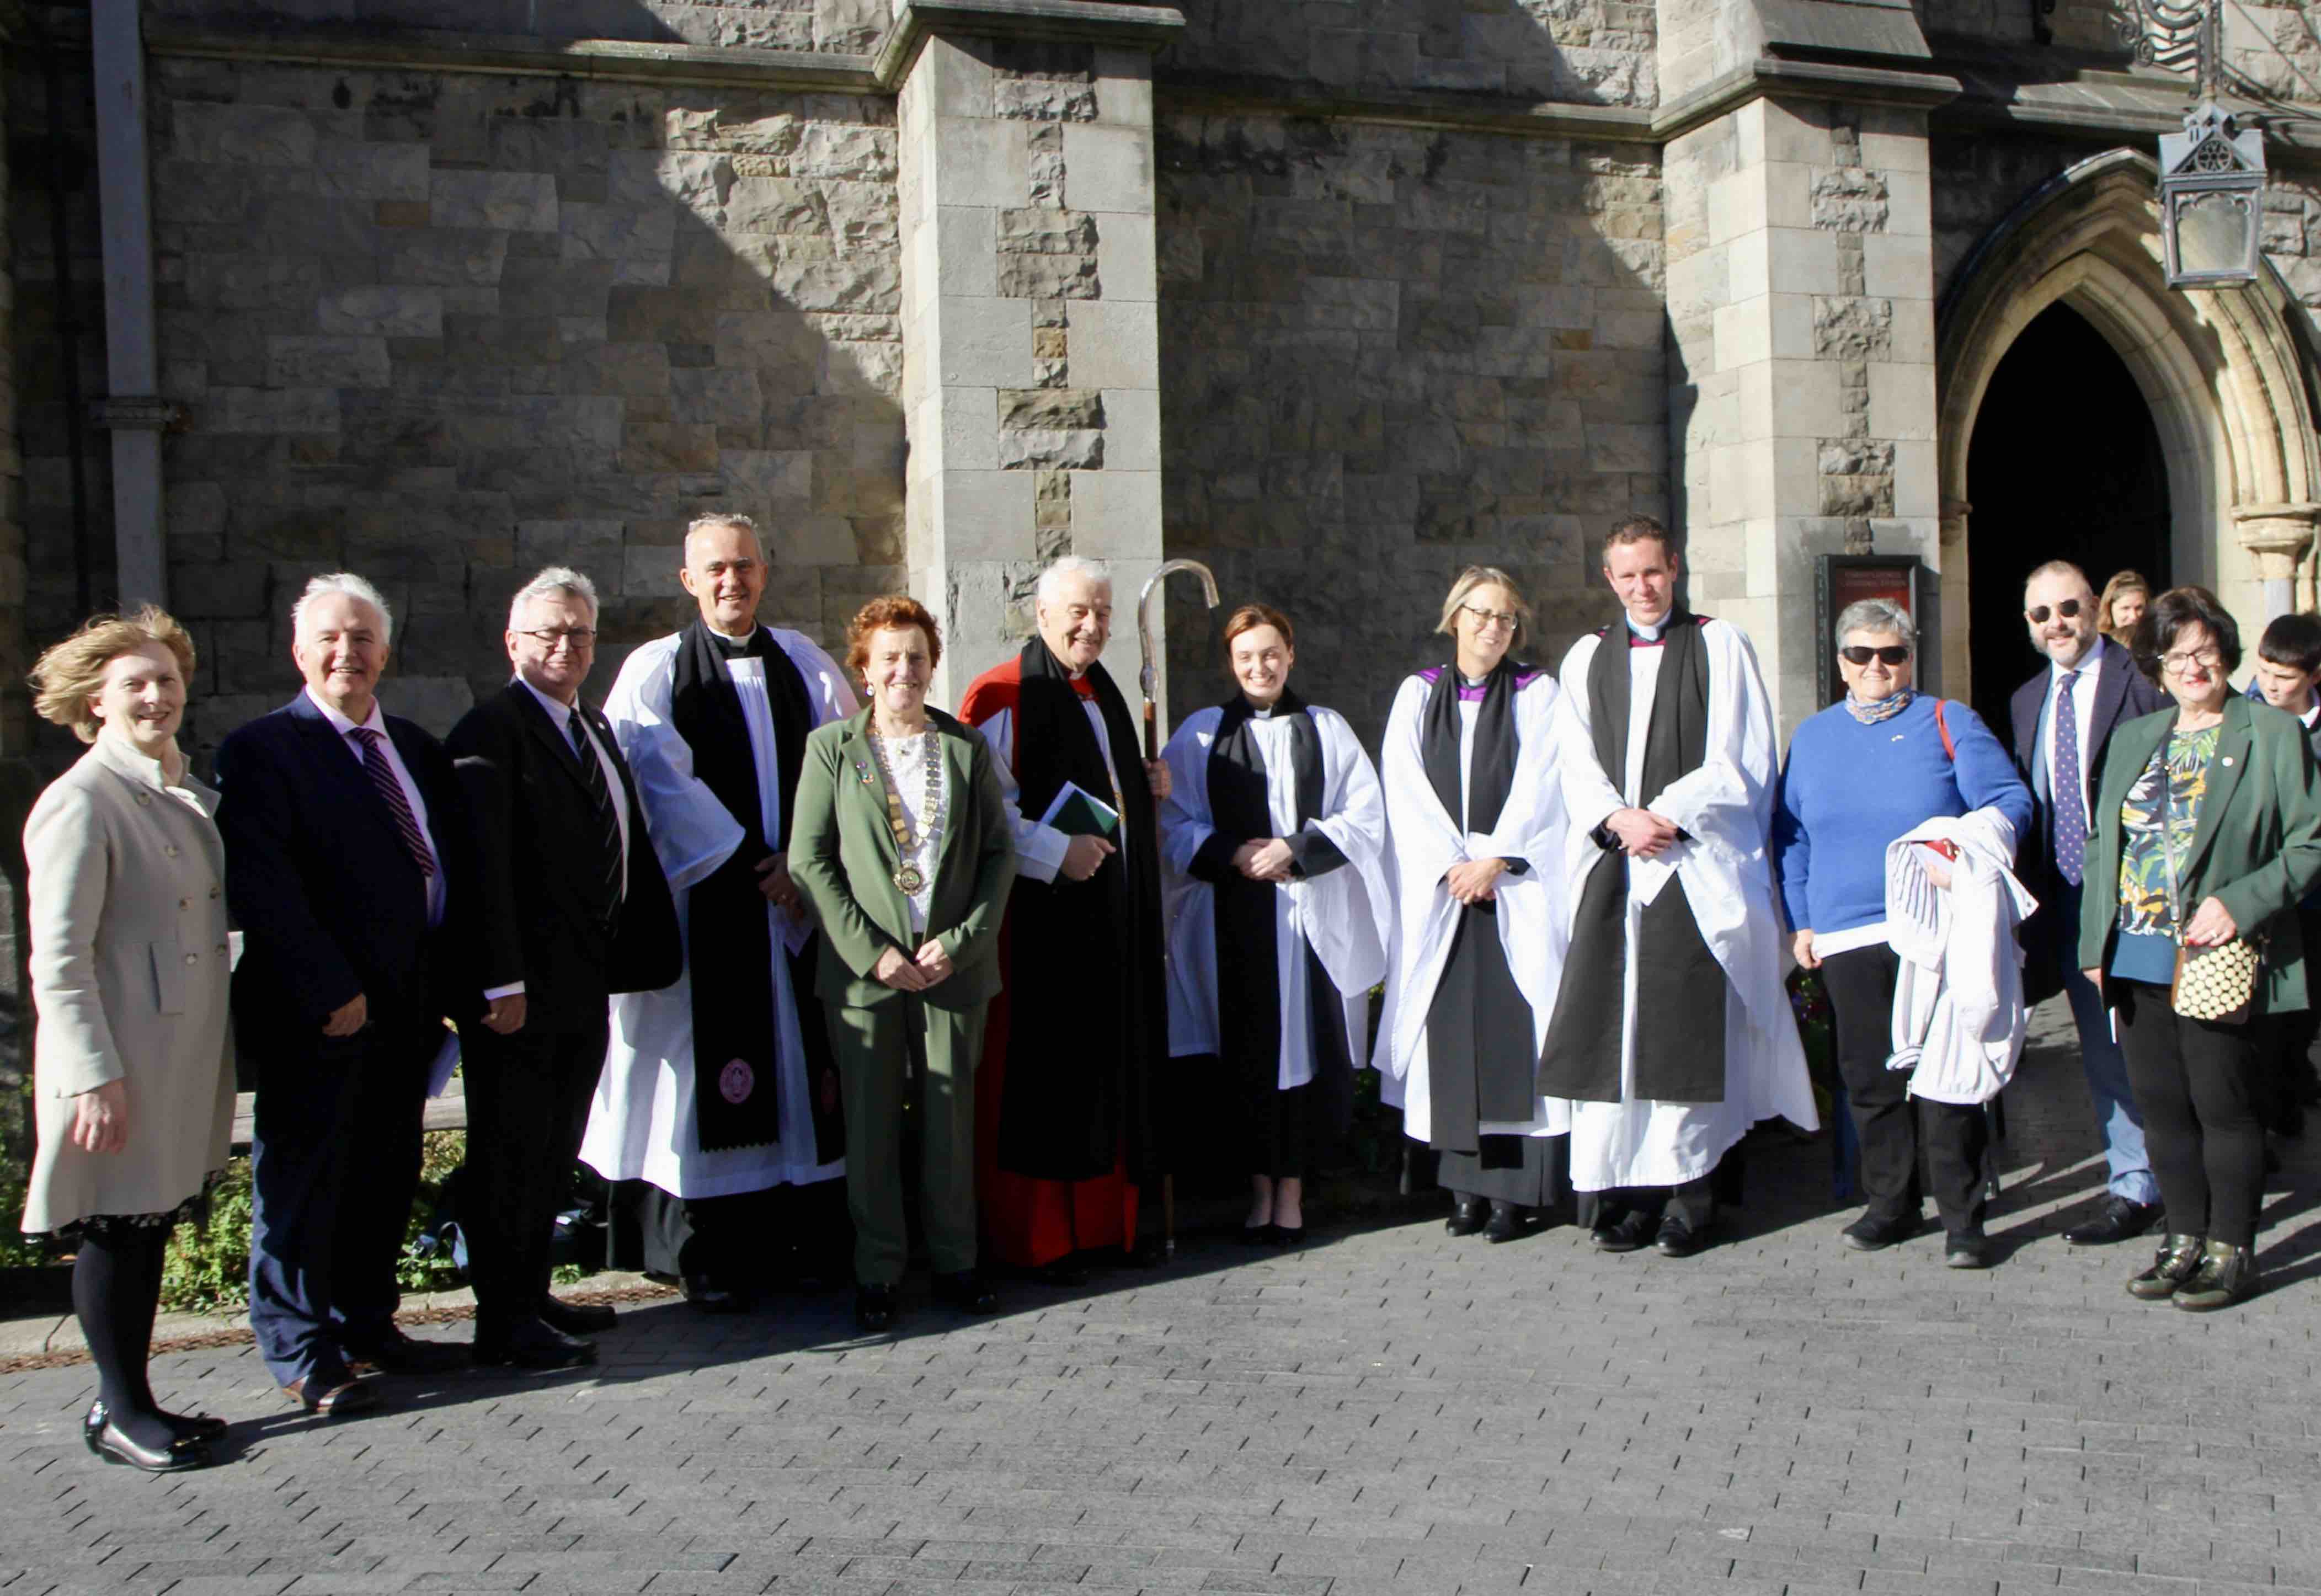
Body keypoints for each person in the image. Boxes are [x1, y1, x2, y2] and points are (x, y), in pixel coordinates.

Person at [217, 573, 511, 1414]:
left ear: (386, 649)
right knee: (305, 1180)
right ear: (299, 651)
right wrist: (327, 988)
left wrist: (462, 988)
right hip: (325, 1010)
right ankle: (299, 1346)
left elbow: (446, 874)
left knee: (385, 1168)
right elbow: (267, 886)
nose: (348, 652)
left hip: (410, 1007)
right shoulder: (264, 749)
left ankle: (366, 1322)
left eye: (363, 638)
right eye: (331, 638)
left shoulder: (414, 748)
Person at [581, 514, 857, 1312]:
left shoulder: (803, 663)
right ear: (688, 581)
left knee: (803, 1073)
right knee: (708, 1076)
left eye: (743, 565)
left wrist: (808, 861)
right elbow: (657, 780)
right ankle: (709, 1254)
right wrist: (747, 865)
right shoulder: (655, 670)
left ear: (763, 573)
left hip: (799, 904)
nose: (730, 580)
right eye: (715, 569)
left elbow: (846, 757)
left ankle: (806, 1240)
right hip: (708, 912)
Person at [1538, 516, 1819, 1257]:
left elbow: (1744, 754)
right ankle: (1628, 1199)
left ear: (1675, 567)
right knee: (1619, 1040)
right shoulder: (1586, 657)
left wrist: (1665, 814)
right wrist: (1615, 818)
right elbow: (1570, 762)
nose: (1640, 587)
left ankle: (1689, 1201)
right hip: (1613, 869)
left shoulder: (1717, 645)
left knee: (1684, 1035)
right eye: (1625, 575)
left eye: (1652, 572)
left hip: (1689, 869)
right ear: (1608, 578)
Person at [446, 567, 680, 1370]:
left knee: (552, 1148)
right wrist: (498, 980)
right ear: (513, 643)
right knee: (510, 1152)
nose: (565, 645)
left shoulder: (591, 727)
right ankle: (501, 1319)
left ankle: (530, 1292)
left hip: (581, 982)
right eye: (548, 632)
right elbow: (482, 868)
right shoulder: (490, 731)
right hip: (520, 992)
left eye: (579, 632)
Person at [18, 610, 235, 1471]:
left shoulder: (165, 784)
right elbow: (58, 958)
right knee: (114, 1225)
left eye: (167, 681)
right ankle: (118, 1410)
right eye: (134, 685)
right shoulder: (81, 800)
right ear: (95, 704)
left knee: (145, 1227)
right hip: (120, 1061)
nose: (155, 696)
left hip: (169, 1054)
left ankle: (136, 1400)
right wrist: (91, 1075)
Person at [2079, 586, 2321, 1310]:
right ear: (2153, 667)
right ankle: (2181, 1240)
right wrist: (2094, 944)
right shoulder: (2132, 739)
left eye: (2203, 652)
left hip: (2222, 954)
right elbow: (2103, 850)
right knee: (2161, 1109)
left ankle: (2229, 1249)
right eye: (2174, 654)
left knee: (2223, 1107)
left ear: (2225, 654)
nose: (2191, 667)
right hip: (2137, 955)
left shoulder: (2269, 733)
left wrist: (2237, 902)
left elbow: (2309, 843)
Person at [1774, 599, 2034, 1267]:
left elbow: (2008, 801)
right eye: (1860, 654)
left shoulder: (1948, 722)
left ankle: (1963, 1219)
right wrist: (1802, 919)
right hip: (1845, 932)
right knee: (1869, 1078)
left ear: (1909, 657)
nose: (1876, 667)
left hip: (1935, 928)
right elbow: (1791, 836)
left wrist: (1962, 851)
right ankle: (1889, 1204)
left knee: (1947, 1076)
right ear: (1840, 664)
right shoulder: (1813, 737)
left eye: (1890, 654)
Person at [791, 597, 1018, 1332]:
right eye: (888, 657)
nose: (903, 669)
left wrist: (962, 942)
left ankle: (956, 1261)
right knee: (871, 1125)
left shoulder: (964, 748)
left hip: (951, 970)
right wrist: (871, 952)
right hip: (866, 977)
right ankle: (878, 1271)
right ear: (862, 669)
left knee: (950, 1122)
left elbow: (997, 855)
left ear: (931, 664)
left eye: (916, 656)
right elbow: (808, 860)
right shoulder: (831, 749)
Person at [958, 556, 1171, 1282]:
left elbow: (1109, 789)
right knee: (1048, 1080)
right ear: (1041, 614)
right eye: (1078, 612)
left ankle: (1106, 1227)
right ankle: (1042, 1240)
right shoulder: (999, 696)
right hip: (1040, 928)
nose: (1092, 626)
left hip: (1112, 923)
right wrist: (1054, 850)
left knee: (1112, 1067)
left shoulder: (1105, 693)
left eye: (1104, 613)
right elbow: (980, 815)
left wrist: (1143, 787)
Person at [1159, 604, 1391, 1244]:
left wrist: (1294, 847)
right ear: (1230, 665)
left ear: (1291, 654)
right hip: (1233, 920)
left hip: (1307, 920)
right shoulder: (1202, 734)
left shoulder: (1326, 728)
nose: (1259, 667)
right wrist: (1231, 852)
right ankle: (1256, 1191)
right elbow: (1170, 820)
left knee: (1302, 1055)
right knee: (1246, 1054)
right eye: (1245, 657)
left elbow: (1366, 815)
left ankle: (1291, 1193)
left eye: (1270, 654)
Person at [1375, 569, 1572, 1244]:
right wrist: (1450, 865)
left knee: (1515, 1031)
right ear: (1453, 617)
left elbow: (1546, 781)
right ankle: (1463, 1191)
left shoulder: (1537, 692)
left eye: (1507, 618)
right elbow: (1401, 785)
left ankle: (1515, 1196)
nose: (1494, 627)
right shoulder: (1416, 694)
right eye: (1482, 614)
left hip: (1513, 890)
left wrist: (1497, 858)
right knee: (1450, 1038)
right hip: (1445, 892)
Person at [2008, 560, 2169, 1245]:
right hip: (2069, 902)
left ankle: (2185, 1174)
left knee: (2155, 1044)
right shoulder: (2025, 702)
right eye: (2041, 615)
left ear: (2096, 608)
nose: (2057, 625)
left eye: (2068, 608)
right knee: (2101, 1051)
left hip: (2140, 900)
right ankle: (2135, 1182)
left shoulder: (2145, 685)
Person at [2247, 611, 2321, 1137]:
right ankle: (2267, 1117)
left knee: (2300, 1016)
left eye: (2286, 676)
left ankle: (2289, 1089)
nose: (2271, 683)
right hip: (2256, 893)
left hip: (2313, 900)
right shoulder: (2242, 718)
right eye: (2265, 669)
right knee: (2257, 1018)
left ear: (2313, 676)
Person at [2099, 570, 2151, 645]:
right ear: (2109, 609)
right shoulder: (2097, 646)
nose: (2133, 616)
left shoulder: (2158, 644)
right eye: (2126, 608)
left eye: (2139, 608)